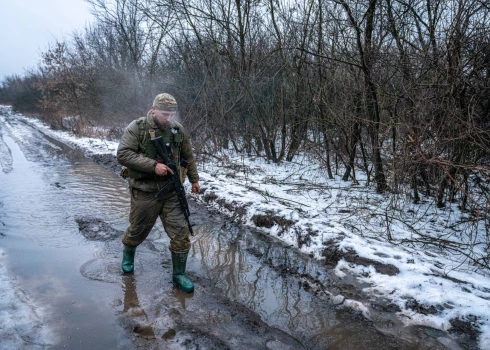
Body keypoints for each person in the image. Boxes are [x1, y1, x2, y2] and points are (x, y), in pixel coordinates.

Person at [116, 93, 200, 293]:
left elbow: (188, 155)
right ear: (153, 110)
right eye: (164, 114)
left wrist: (194, 180)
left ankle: (179, 274)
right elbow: (123, 154)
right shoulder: (137, 128)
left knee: (180, 233)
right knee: (138, 230)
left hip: (172, 191)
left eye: (172, 114)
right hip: (145, 191)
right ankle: (128, 256)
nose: (169, 118)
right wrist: (153, 166)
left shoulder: (177, 130)